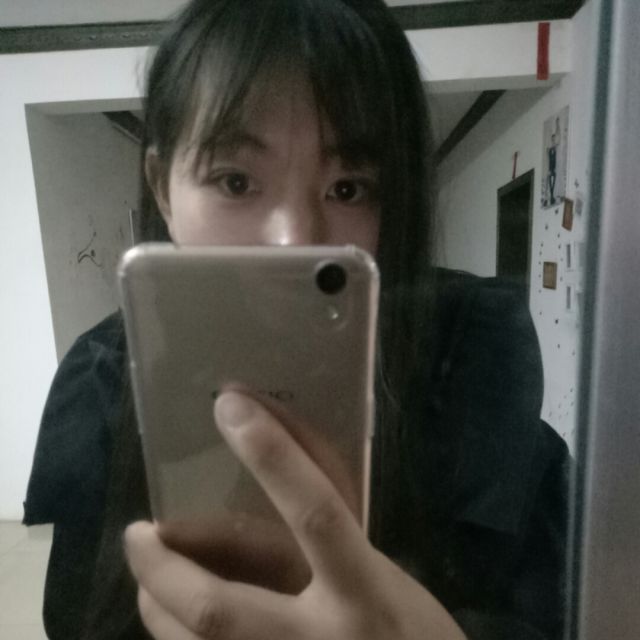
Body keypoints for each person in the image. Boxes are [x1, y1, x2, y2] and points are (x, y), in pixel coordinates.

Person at [23, 1, 570, 639]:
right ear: (163, 188)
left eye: (348, 188)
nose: (294, 241)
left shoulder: (476, 373)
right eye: (234, 181)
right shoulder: (102, 383)